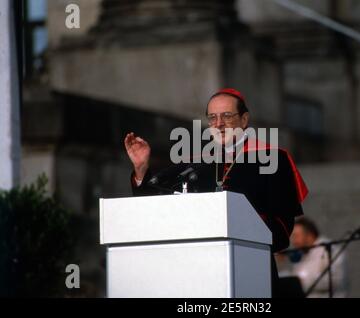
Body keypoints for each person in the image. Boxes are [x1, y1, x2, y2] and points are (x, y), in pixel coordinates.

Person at [124, 88, 308, 296]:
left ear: (244, 119)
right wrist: (141, 168)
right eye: (212, 118)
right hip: (196, 274)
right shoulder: (195, 161)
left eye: (227, 116)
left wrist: (239, 228)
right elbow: (154, 205)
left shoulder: (272, 158)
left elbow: (283, 230)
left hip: (251, 270)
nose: (218, 124)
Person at [289, 217, 347, 298]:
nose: (294, 241)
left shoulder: (329, 249)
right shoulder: (303, 253)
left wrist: (301, 282)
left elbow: (335, 279)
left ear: (309, 235)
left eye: (296, 236)